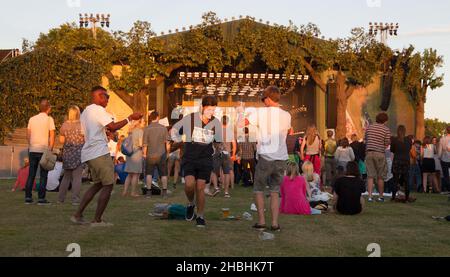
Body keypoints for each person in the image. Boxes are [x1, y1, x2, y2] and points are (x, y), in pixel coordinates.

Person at [71, 86, 143, 226]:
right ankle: (97, 220)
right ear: (98, 96)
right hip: (99, 152)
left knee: (98, 184)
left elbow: (92, 131)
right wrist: (130, 118)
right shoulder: (98, 110)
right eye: (106, 96)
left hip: (89, 153)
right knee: (109, 185)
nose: (108, 99)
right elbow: (113, 126)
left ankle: (78, 215)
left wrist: (105, 133)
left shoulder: (86, 111)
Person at [171, 95, 222, 227]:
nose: (211, 112)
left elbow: (218, 141)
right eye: (209, 109)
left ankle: (200, 216)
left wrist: (219, 149)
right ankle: (190, 203)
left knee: (200, 187)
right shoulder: (191, 118)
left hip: (205, 159)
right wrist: (178, 140)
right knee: (189, 185)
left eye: (213, 110)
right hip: (189, 157)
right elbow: (176, 129)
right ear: (203, 107)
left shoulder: (216, 123)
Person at [247, 86, 291, 232]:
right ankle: (274, 223)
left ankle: (261, 221)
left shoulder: (260, 113)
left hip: (266, 157)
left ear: (267, 98)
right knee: (275, 191)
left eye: (263, 98)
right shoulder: (287, 115)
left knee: (258, 189)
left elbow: (244, 122)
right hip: (281, 158)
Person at [24, 98, 55, 205]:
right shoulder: (49, 119)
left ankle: (28, 197)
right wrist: (50, 149)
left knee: (31, 174)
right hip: (43, 150)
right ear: (48, 108)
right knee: (43, 175)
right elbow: (52, 135)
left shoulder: (32, 119)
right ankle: (41, 199)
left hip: (33, 149)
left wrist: (31, 145)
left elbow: (28, 135)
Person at [58, 105, 85, 205]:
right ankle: (75, 199)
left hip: (67, 153)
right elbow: (86, 139)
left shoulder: (64, 125)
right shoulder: (82, 125)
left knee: (66, 177)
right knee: (77, 177)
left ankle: (60, 199)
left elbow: (61, 140)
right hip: (79, 153)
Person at [143, 111, 171, 198]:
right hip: (161, 153)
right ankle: (165, 192)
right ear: (158, 117)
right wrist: (168, 153)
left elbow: (145, 144)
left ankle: (148, 192)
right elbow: (167, 143)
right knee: (163, 174)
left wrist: (144, 154)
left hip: (150, 154)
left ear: (151, 118)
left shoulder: (147, 129)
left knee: (149, 174)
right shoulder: (163, 128)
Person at [365, 112, 391, 202]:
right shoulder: (386, 129)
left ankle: (370, 196)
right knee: (380, 176)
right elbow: (387, 143)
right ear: (385, 120)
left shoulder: (369, 128)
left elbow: (366, 140)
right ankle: (380, 196)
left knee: (370, 176)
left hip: (369, 153)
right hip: (380, 153)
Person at [123, 119, 145, 197]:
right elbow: (140, 144)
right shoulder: (139, 131)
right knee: (135, 174)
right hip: (136, 154)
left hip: (129, 154)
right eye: (143, 122)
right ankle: (133, 192)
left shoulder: (130, 131)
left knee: (129, 174)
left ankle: (125, 192)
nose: (144, 123)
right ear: (139, 123)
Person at [390, 125, 413, 202]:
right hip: (406, 161)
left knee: (395, 180)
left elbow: (392, 150)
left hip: (397, 160)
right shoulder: (409, 140)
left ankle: (393, 197)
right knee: (406, 180)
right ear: (405, 131)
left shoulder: (394, 140)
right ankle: (406, 198)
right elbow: (409, 148)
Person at [438, 126, 450, 193]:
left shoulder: (442, 139)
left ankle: (446, 189)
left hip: (444, 158)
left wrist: (439, 157)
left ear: (446, 131)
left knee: (446, 175)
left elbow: (440, 150)